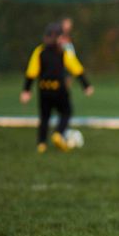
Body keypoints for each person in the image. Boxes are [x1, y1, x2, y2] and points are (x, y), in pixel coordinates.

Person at [20, 22, 94, 153]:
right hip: (59, 89)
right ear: (60, 37)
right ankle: (58, 133)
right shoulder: (63, 52)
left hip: (43, 89)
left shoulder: (39, 51)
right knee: (66, 112)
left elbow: (31, 72)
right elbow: (76, 68)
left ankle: (41, 144)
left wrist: (26, 90)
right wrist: (86, 85)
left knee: (44, 117)